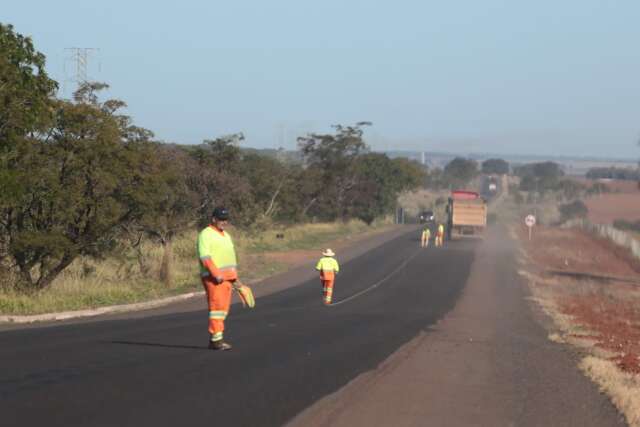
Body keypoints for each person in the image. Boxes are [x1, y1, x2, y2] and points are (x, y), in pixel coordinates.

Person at [197, 207, 239, 351]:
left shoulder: (226, 235)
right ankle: (216, 340)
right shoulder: (205, 234)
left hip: (228, 279)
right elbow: (205, 257)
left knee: (223, 310)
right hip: (214, 279)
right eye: (221, 219)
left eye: (225, 219)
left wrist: (235, 279)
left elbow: (229, 258)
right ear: (213, 219)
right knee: (217, 309)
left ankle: (216, 338)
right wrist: (216, 274)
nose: (223, 222)